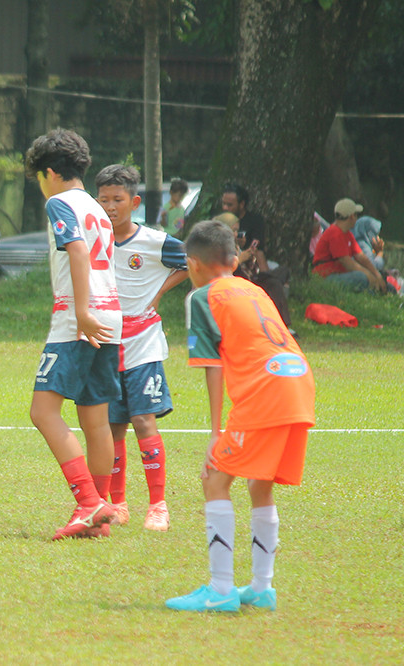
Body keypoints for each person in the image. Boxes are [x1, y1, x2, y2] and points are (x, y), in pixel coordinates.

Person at [166, 219, 314, 613]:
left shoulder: (202, 297)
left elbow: (212, 365)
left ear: (192, 263)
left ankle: (220, 590)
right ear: (233, 259)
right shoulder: (253, 289)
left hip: (267, 391)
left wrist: (216, 433)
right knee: (259, 486)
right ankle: (262, 588)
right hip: (298, 383)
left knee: (215, 481)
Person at [24, 129, 121, 540]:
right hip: (111, 314)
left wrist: (80, 310)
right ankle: (100, 511)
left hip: (76, 319)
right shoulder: (98, 209)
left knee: (43, 411)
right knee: (95, 417)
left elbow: (78, 251)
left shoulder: (59, 203)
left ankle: (88, 502)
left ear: (49, 173)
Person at [96, 164, 188, 532]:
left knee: (143, 420)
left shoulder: (154, 241)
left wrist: (160, 291)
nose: (109, 207)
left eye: (117, 200)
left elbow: (190, 261)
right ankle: (118, 503)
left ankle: (158, 505)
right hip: (105, 342)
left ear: (133, 201)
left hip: (143, 345)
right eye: (102, 200)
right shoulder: (94, 239)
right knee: (113, 426)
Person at [312, 198, 387, 293]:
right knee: (361, 277)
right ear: (352, 216)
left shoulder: (348, 234)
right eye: (356, 215)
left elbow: (361, 257)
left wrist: (377, 275)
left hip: (340, 275)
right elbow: (346, 262)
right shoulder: (334, 233)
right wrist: (369, 275)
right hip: (326, 277)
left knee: (376, 283)